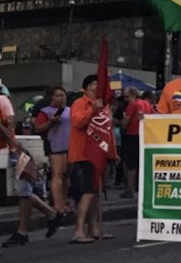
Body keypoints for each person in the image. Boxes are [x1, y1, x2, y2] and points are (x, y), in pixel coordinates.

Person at [0, 89, 66, 247]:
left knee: (23, 191)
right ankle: (48, 216)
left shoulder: (2, 101)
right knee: (23, 193)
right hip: (9, 149)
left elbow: (7, 125)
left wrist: (13, 144)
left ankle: (26, 230)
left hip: (9, 151)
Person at [68, 75, 114, 244]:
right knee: (88, 191)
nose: (99, 87)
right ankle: (79, 230)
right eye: (95, 84)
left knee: (95, 192)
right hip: (84, 153)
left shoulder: (104, 106)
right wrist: (92, 109)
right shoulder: (80, 103)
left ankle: (94, 228)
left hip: (100, 152)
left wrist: (112, 153)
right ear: (87, 87)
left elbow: (107, 130)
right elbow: (77, 122)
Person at [33, 86, 71, 215]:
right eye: (57, 95)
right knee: (57, 175)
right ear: (51, 97)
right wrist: (51, 122)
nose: (60, 98)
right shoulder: (45, 111)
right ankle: (57, 205)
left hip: (70, 146)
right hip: (55, 145)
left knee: (66, 175)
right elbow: (38, 128)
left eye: (62, 95)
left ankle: (64, 202)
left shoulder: (70, 110)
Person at [119, 87, 153, 199]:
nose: (126, 99)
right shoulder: (147, 104)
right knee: (142, 162)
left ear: (132, 95)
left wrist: (120, 123)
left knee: (130, 163)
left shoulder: (132, 105)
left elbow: (126, 121)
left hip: (132, 135)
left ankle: (130, 188)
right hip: (145, 136)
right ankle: (141, 186)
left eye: (127, 97)